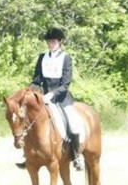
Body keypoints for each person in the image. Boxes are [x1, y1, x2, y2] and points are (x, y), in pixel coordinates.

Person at [16, 27, 85, 171]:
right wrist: (30, 93)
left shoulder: (65, 58)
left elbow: (65, 84)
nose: (51, 43)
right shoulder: (42, 57)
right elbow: (36, 80)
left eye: (54, 41)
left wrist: (52, 95)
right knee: (28, 121)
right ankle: (27, 155)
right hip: (43, 98)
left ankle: (76, 156)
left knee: (74, 123)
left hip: (62, 98)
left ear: (60, 42)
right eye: (49, 41)